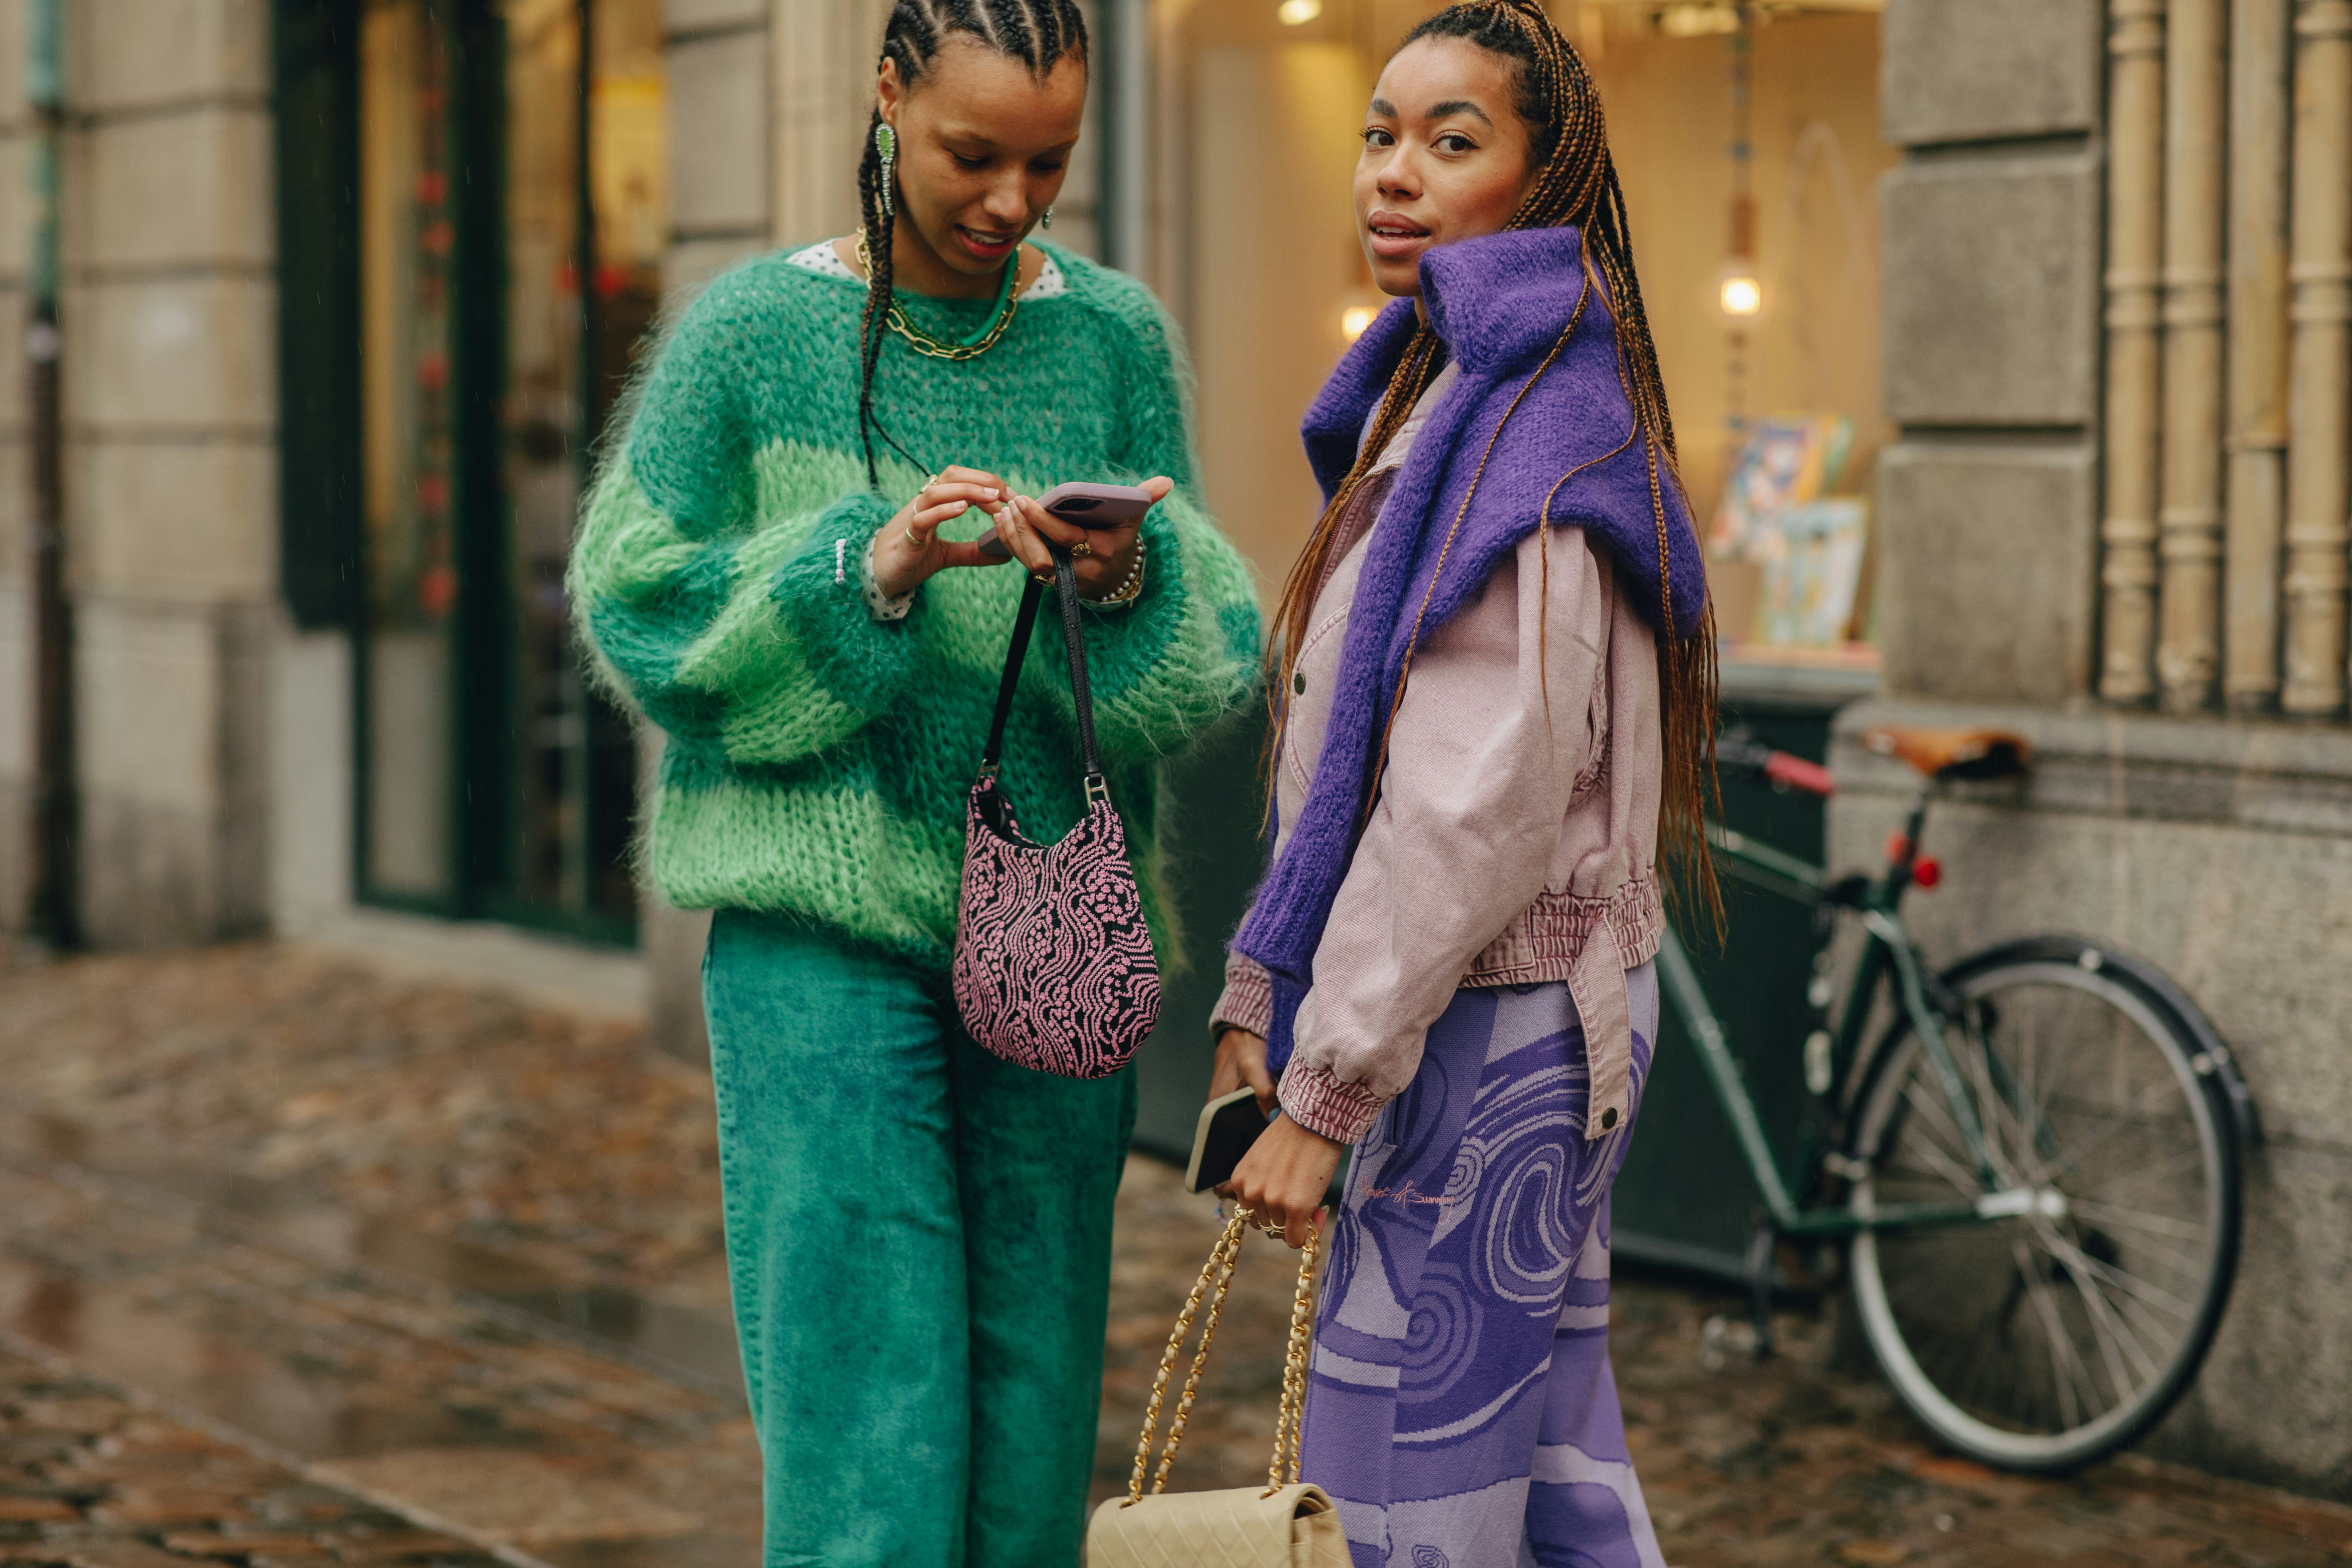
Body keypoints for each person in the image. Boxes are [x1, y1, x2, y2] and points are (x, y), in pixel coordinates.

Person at [567, 3, 1259, 1561]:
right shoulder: (748, 337)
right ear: (885, 93)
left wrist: (1125, 568)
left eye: (1049, 161)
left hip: (1054, 937)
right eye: (972, 151)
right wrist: (863, 567)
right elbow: (633, 604)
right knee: (863, 1436)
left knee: (1030, 1422)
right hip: (821, 942)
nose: (1011, 199)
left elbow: (1212, 646)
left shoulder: (1113, 336)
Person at [1208, 4, 1716, 1564]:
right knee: (1549, 1475)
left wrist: (1326, 1082)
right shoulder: (1450, 396)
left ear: (1544, 176)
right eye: (1379, 134)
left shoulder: (1529, 427)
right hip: (1500, 1016)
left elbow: (1467, 813)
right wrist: (1261, 995)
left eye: (1450, 142)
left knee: (1395, 1506)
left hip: (1489, 1030)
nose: (1393, 176)